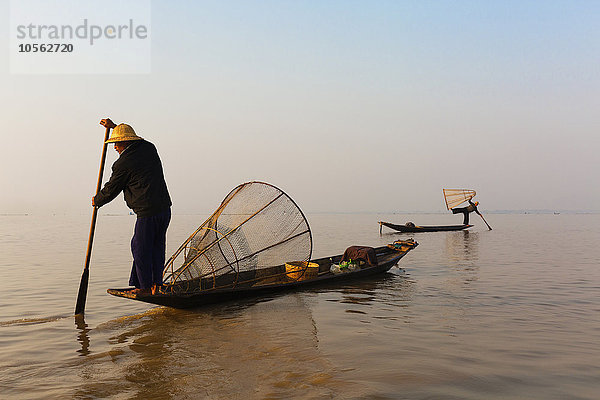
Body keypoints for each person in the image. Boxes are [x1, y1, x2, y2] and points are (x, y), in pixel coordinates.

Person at [92, 118, 172, 296]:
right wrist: (114, 128)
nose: (115, 147)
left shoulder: (123, 163)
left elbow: (112, 188)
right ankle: (156, 285)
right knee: (156, 247)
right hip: (165, 208)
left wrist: (97, 200)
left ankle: (144, 287)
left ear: (126, 142)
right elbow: (138, 140)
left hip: (147, 211)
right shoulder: (149, 148)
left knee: (140, 248)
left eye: (117, 143)